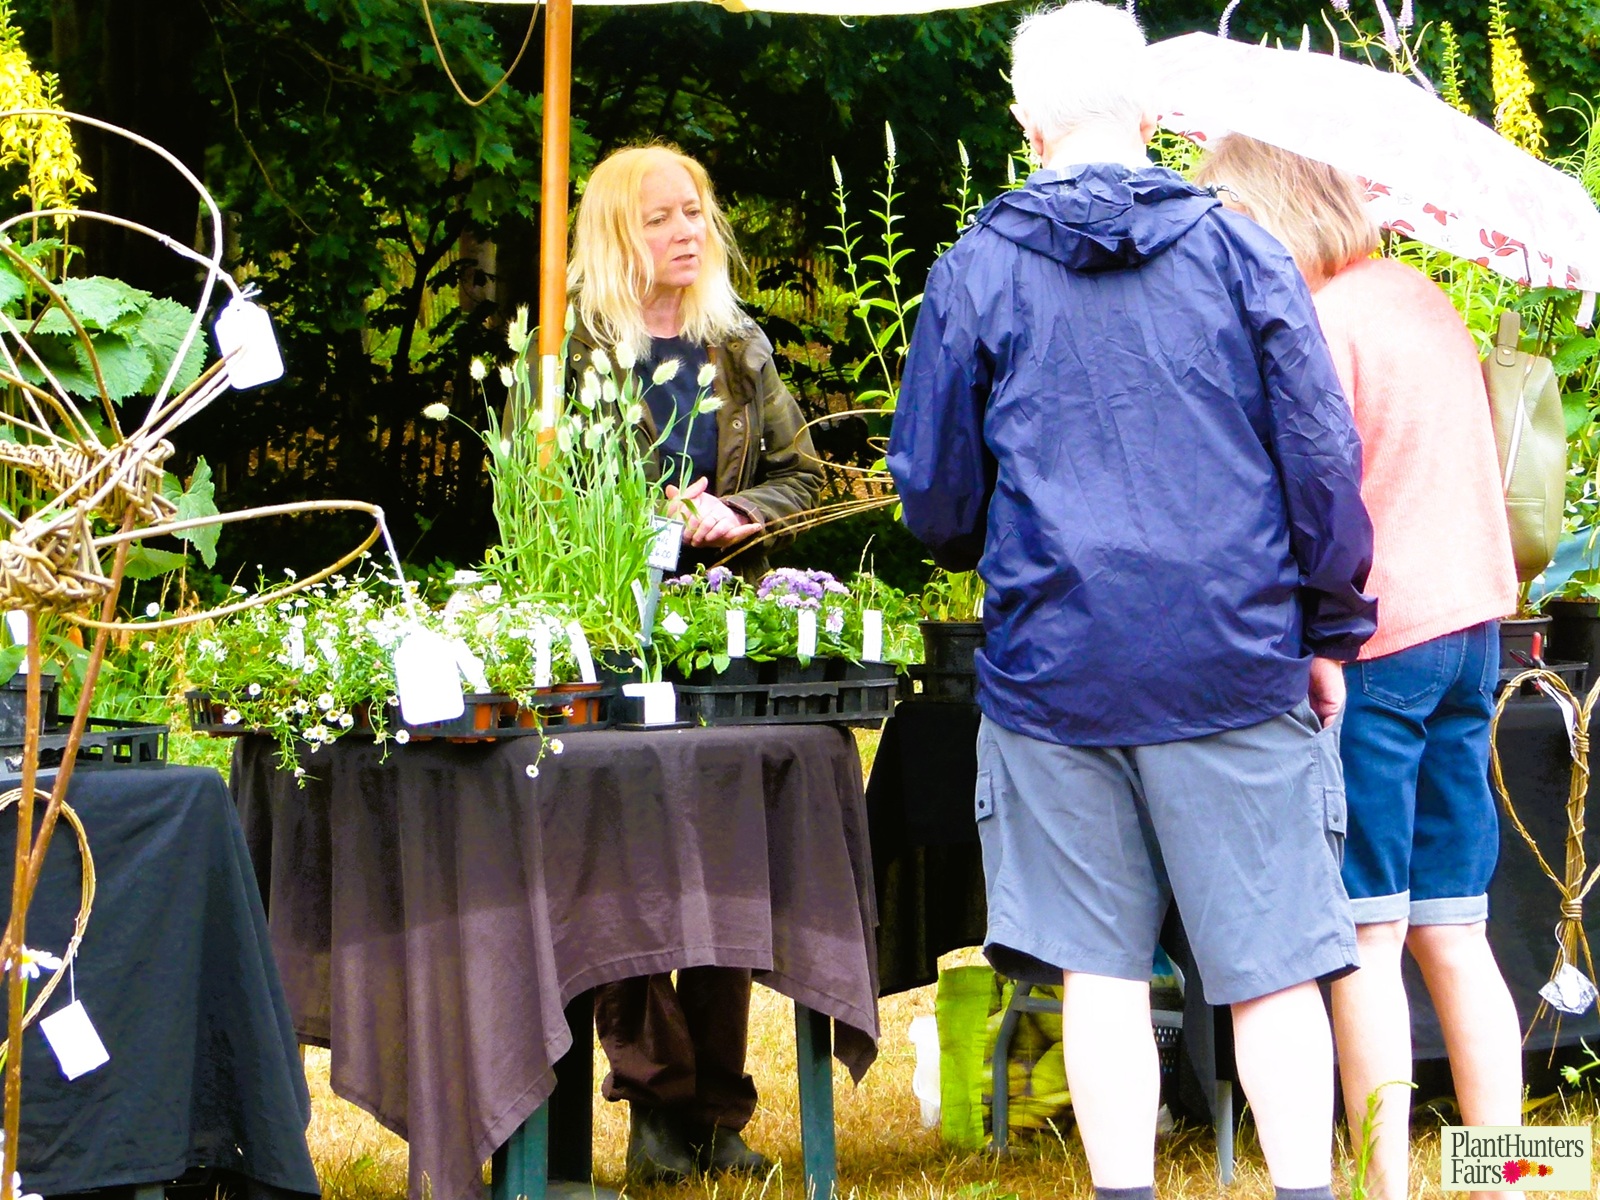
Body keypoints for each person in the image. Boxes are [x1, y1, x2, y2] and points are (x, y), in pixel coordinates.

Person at [888, 7, 1377, 1200]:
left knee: (1099, 971)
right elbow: (1319, 461)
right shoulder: (1242, 252)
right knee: (1272, 970)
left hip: (1056, 671)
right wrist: (1331, 628)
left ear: (1023, 120)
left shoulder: (973, 272)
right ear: (1150, 118)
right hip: (1231, 654)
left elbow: (938, 503)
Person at [1195, 135, 1522, 1200]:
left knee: (1369, 937)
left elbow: (1305, 503)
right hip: (1474, 636)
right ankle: (1503, 1176)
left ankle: (1385, 1188)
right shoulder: (1419, 298)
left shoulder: (1320, 325)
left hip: (1378, 648)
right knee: (1457, 932)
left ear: (1275, 210)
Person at [565, 144, 824, 1181]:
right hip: (602, 642)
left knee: (723, 875)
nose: (688, 232)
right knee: (626, 881)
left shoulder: (736, 347)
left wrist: (733, 510)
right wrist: (631, 523)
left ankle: (713, 1113)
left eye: (698, 213)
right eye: (663, 217)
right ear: (618, 234)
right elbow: (534, 502)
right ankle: (657, 1101)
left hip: (720, 646)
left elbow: (804, 478)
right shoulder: (572, 351)